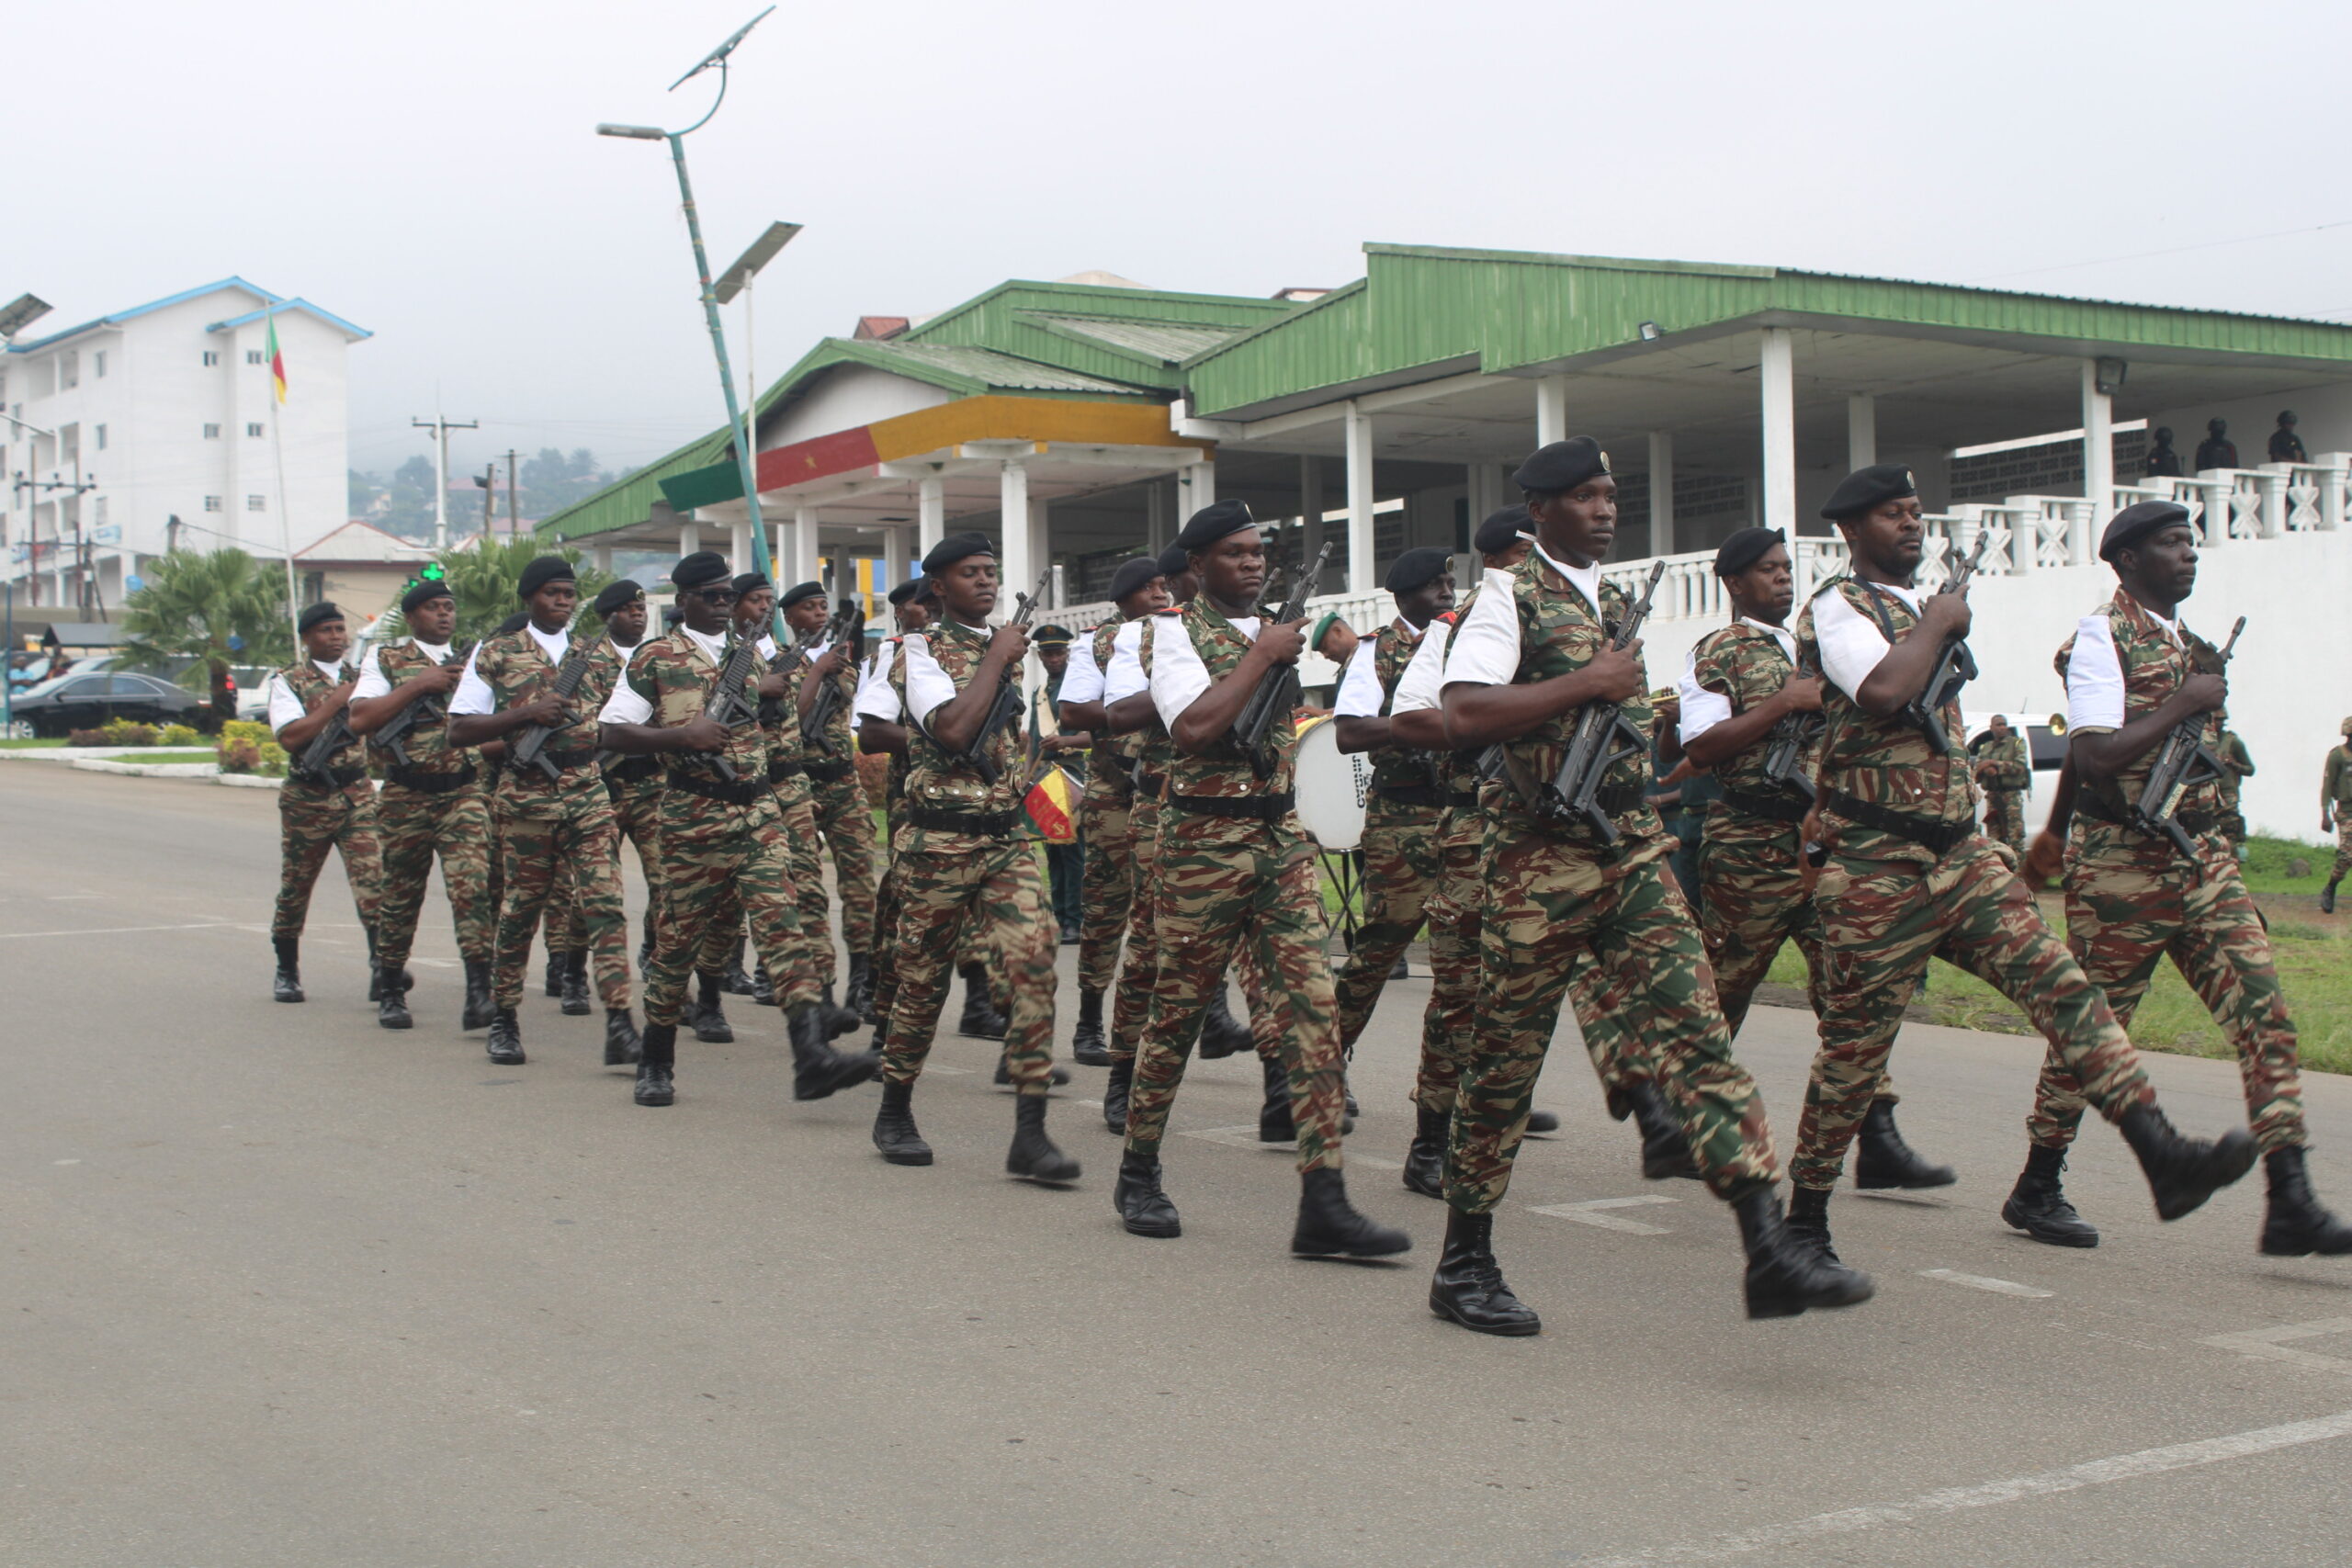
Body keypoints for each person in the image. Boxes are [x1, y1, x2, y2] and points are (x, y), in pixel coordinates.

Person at [1432, 440, 1855, 1335]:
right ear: (1539, 510)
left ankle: (1768, 1246)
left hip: (1626, 849)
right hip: (1538, 861)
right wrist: (1586, 681)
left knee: (1699, 1032)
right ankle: (1464, 1258)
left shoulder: (1610, 599)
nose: (1604, 509)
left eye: (1610, 495)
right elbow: (1462, 713)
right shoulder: (1507, 597)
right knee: (1505, 1061)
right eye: (1584, 496)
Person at [1792, 466, 2256, 1270]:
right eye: (1893, 514)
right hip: (1875, 866)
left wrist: (1935, 620)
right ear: (1851, 530)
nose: (1912, 524)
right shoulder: (1839, 605)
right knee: (1853, 1052)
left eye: (1915, 512)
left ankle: (2161, 1151)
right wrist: (1940, 621)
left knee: (2068, 991)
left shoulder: (1917, 608)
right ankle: (1802, 1223)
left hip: (1961, 856)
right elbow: (1882, 689)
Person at [2001, 500, 2348, 1257]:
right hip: (2122, 872)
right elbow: (2093, 756)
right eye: (2171, 543)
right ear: (2128, 560)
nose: (2188, 554)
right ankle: (2038, 1182)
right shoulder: (2101, 637)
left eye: (2191, 543)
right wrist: (2185, 701)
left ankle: (2290, 1197)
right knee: (2095, 1034)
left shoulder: (2189, 643)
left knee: (2264, 1014)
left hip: (2201, 862)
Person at [1111, 499, 1408, 1260]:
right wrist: (1262, 656)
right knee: (1177, 1014)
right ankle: (1139, 1168)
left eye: (1257, 552)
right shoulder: (1172, 632)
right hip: (1201, 845)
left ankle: (1324, 1199)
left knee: (1314, 1011)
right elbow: (1192, 727)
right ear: (1199, 565)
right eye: (1235, 553)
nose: (1251, 563)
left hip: (1280, 841)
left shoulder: (1275, 628)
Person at [1676, 526, 1950, 1191]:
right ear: (1734, 583)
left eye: (1784, 567)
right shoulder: (1718, 651)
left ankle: (1877, 1137)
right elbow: (1700, 747)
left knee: (1852, 991)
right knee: (1727, 987)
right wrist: (1782, 703)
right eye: (1766, 570)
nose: (1782, 578)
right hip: (1749, 846)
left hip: (1825, 842)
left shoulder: (1820, 640)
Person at [596, 551, 876, 1108]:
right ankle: (655, 1059)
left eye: (729, 595)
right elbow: (611, 732)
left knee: (784, 927)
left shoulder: (748, 655)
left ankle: (811, 1055)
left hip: (758, 816)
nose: (724, 605)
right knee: (677, 946)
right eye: (713, 596)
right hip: (693, 820)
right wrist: (681, 737)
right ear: (684, 601)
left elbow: (781, 727)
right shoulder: (655, 657)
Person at [865, 533, 1079, 1182]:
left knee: (1035, 963)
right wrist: (997, 659)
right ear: (938, 587)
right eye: (970, 573)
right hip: (937, 843)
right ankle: (895, 1109)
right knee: (921, 982)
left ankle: (1030, 1133)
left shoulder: (1000, 649)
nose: (985, 581)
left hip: (1005, 838)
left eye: (990, 571)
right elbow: (953, 729)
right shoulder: (915, 650)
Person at [446, 556, 633, 1066]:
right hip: (526, 798)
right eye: (552, 592)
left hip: (588, 794)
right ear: (529, 597)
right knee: (521, 911)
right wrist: (528, 713)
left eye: (569, 594)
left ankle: (620, 1021)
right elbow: (459, 729)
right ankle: (504, 1018)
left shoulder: (596, 654)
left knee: (605, 905)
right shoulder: (497, 652)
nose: (563, 602)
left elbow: (623, 720)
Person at [855, 579, 1004, 1042]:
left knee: (977, 902)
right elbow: (871, 735)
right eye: (916, 606)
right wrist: (939, 737)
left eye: (928, 605)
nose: (925, 613)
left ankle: (980, 1003)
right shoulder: (897, 654)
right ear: (902, 613)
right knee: (908, 913)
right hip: (916, 802)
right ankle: (883, 1012)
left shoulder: (984, 650)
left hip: (981, 802)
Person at [348, 576, 493, 1033]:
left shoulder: (476, 662)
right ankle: (391, 986)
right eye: (433, 607)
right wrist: (419, 684)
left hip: (463, 793)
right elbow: (360, 718)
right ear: (411, 617)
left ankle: (479, 993)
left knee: (472, 888)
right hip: (405, 796)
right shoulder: (385, 659)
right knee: (400, 896)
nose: (444, 614)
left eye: (448, 606)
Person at [1328, 546, 1454, 1057]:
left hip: (1464, 813)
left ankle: (1458, 1083)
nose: (1447, 593)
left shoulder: (1467, 640)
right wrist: (1427, 726)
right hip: (1403, 817)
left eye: (1450, 584)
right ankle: (1324, 1065)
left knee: (1465, 958)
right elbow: (1350, 732)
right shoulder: (1376, 651)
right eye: (1434, 586)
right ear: (1404, 598)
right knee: (1380, 948)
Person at [1054, 556, 1170, 1066]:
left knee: (1172, 908)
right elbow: (1073, 711)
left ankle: (1207, 1014)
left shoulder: (1181, 633)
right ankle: (1088, 1022)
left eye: (1164, 586)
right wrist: (1146, 705)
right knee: (1105, 912)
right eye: (1149, 588)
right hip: (1115, 794)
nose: (1161, 595)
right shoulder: (1096, 643)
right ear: (1124, 599)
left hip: (1169, 794)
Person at [263, 601, 384, 1005]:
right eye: (325, 631)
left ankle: (383, 970)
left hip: (356, 795)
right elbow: (291, 737)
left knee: (373, 883)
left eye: (339, 629)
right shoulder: (289, 681)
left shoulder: (362, 677)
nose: (335, 637)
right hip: (307, 799)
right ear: (306, 638)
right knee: (296, 886)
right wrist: (335, 702)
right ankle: (286, 970)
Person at [785, 578, 882, 1015]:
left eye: (822, 606)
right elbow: (791, 717)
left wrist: (832, 666)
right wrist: (816, 670)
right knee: (807, 890)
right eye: (809, 607)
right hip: (799, 786)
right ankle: (820, 988)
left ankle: (861, 983)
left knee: (860, 885)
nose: (819, 614)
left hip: (843, 785)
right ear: (789, 618)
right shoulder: (778, 664)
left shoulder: (846, 665)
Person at [1028, 624, 1086, 944]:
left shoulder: (1078, 686)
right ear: (1040, 656)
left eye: (1059, 652)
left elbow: (1097, 733)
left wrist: (1065, 741)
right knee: (1052, 852)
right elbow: (1031, 743)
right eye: (1048, 654)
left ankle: (1075, 920)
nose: (1053, 659)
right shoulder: (1039, 692)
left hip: (1072, 775)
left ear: (1068, 653)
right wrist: (1025, 779)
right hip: (1044, 777)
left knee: (1073, 854)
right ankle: (1059, 917)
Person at [1973, 714, 2030, 853]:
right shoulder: (1986, 747)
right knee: (1994, 839)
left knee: (2015, 837)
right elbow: (1976, 770)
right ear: (1991, 728)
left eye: (2004, 724)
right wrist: (1985, 770)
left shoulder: (2017, 743)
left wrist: (1995, 764)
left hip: (2011, 796)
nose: (2002, 727)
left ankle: (2018, 865)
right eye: (1999, 725)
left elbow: (2019, 766)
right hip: (1993, 797)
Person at [2323, 718, 2352, 913]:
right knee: (2347, 855)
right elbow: (2327, 786)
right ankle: (2331, 886)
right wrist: (2325, 813)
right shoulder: (2337, 756)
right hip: (2347, 812)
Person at [2214, 728, 2255, 853]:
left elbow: (2250, 769)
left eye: (2221, 719)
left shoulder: (2233, 742)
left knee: (2229, 831)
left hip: (2227, 795)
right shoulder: (2201, 739)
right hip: (2205, 794)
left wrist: (2234, 764)